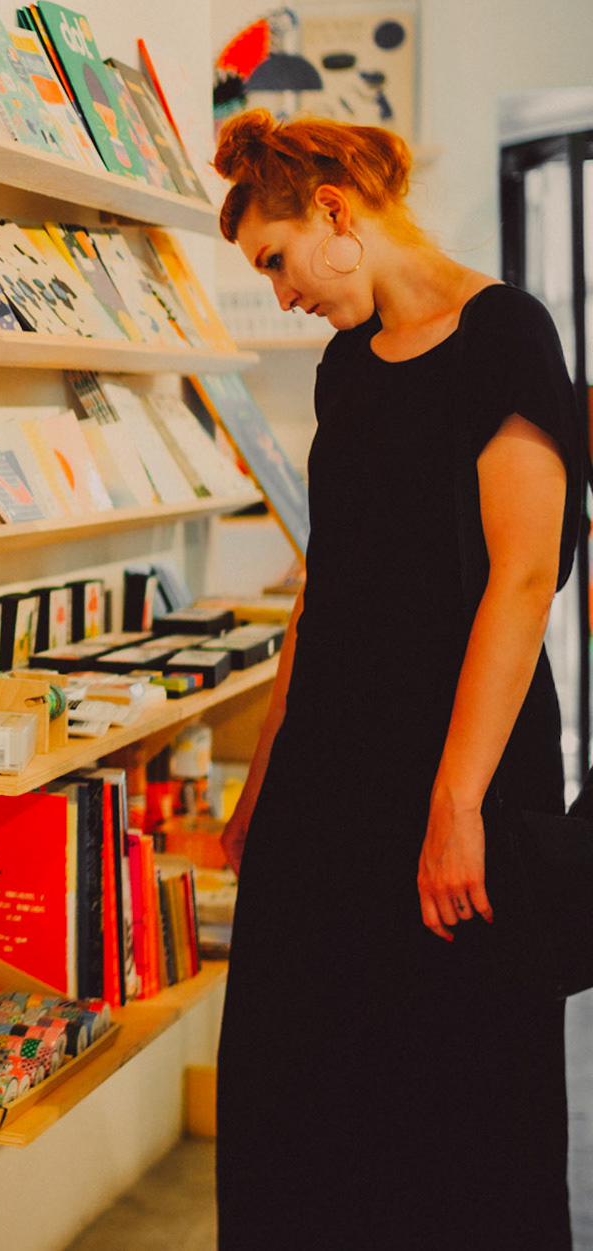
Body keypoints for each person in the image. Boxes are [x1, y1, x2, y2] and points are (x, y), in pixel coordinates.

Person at [211, 109, 585, 1249]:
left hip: (458, 768)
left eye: (275, 260)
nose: (279, 294)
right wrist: (263, 772)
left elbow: (522, 578)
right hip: (330, 782)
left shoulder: (507, 334)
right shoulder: (345, 366)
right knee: (292, 1079)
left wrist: (457, 801)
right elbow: (331, 583)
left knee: (455, 1085)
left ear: (333, 212)